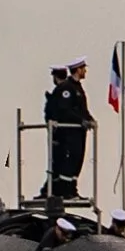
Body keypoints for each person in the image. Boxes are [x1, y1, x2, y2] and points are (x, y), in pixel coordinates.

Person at [42, 59, 93, 205]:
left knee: (76, 161)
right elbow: (65, 110)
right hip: (70, 133)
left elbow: (82, 109)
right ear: (78, 70)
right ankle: (65, 191)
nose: (85, 71)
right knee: (67, 163)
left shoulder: (77, 88)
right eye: (83, 69)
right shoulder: (67, 88)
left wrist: (90, 119)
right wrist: (80, 120)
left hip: (78, 133)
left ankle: (72, 190)